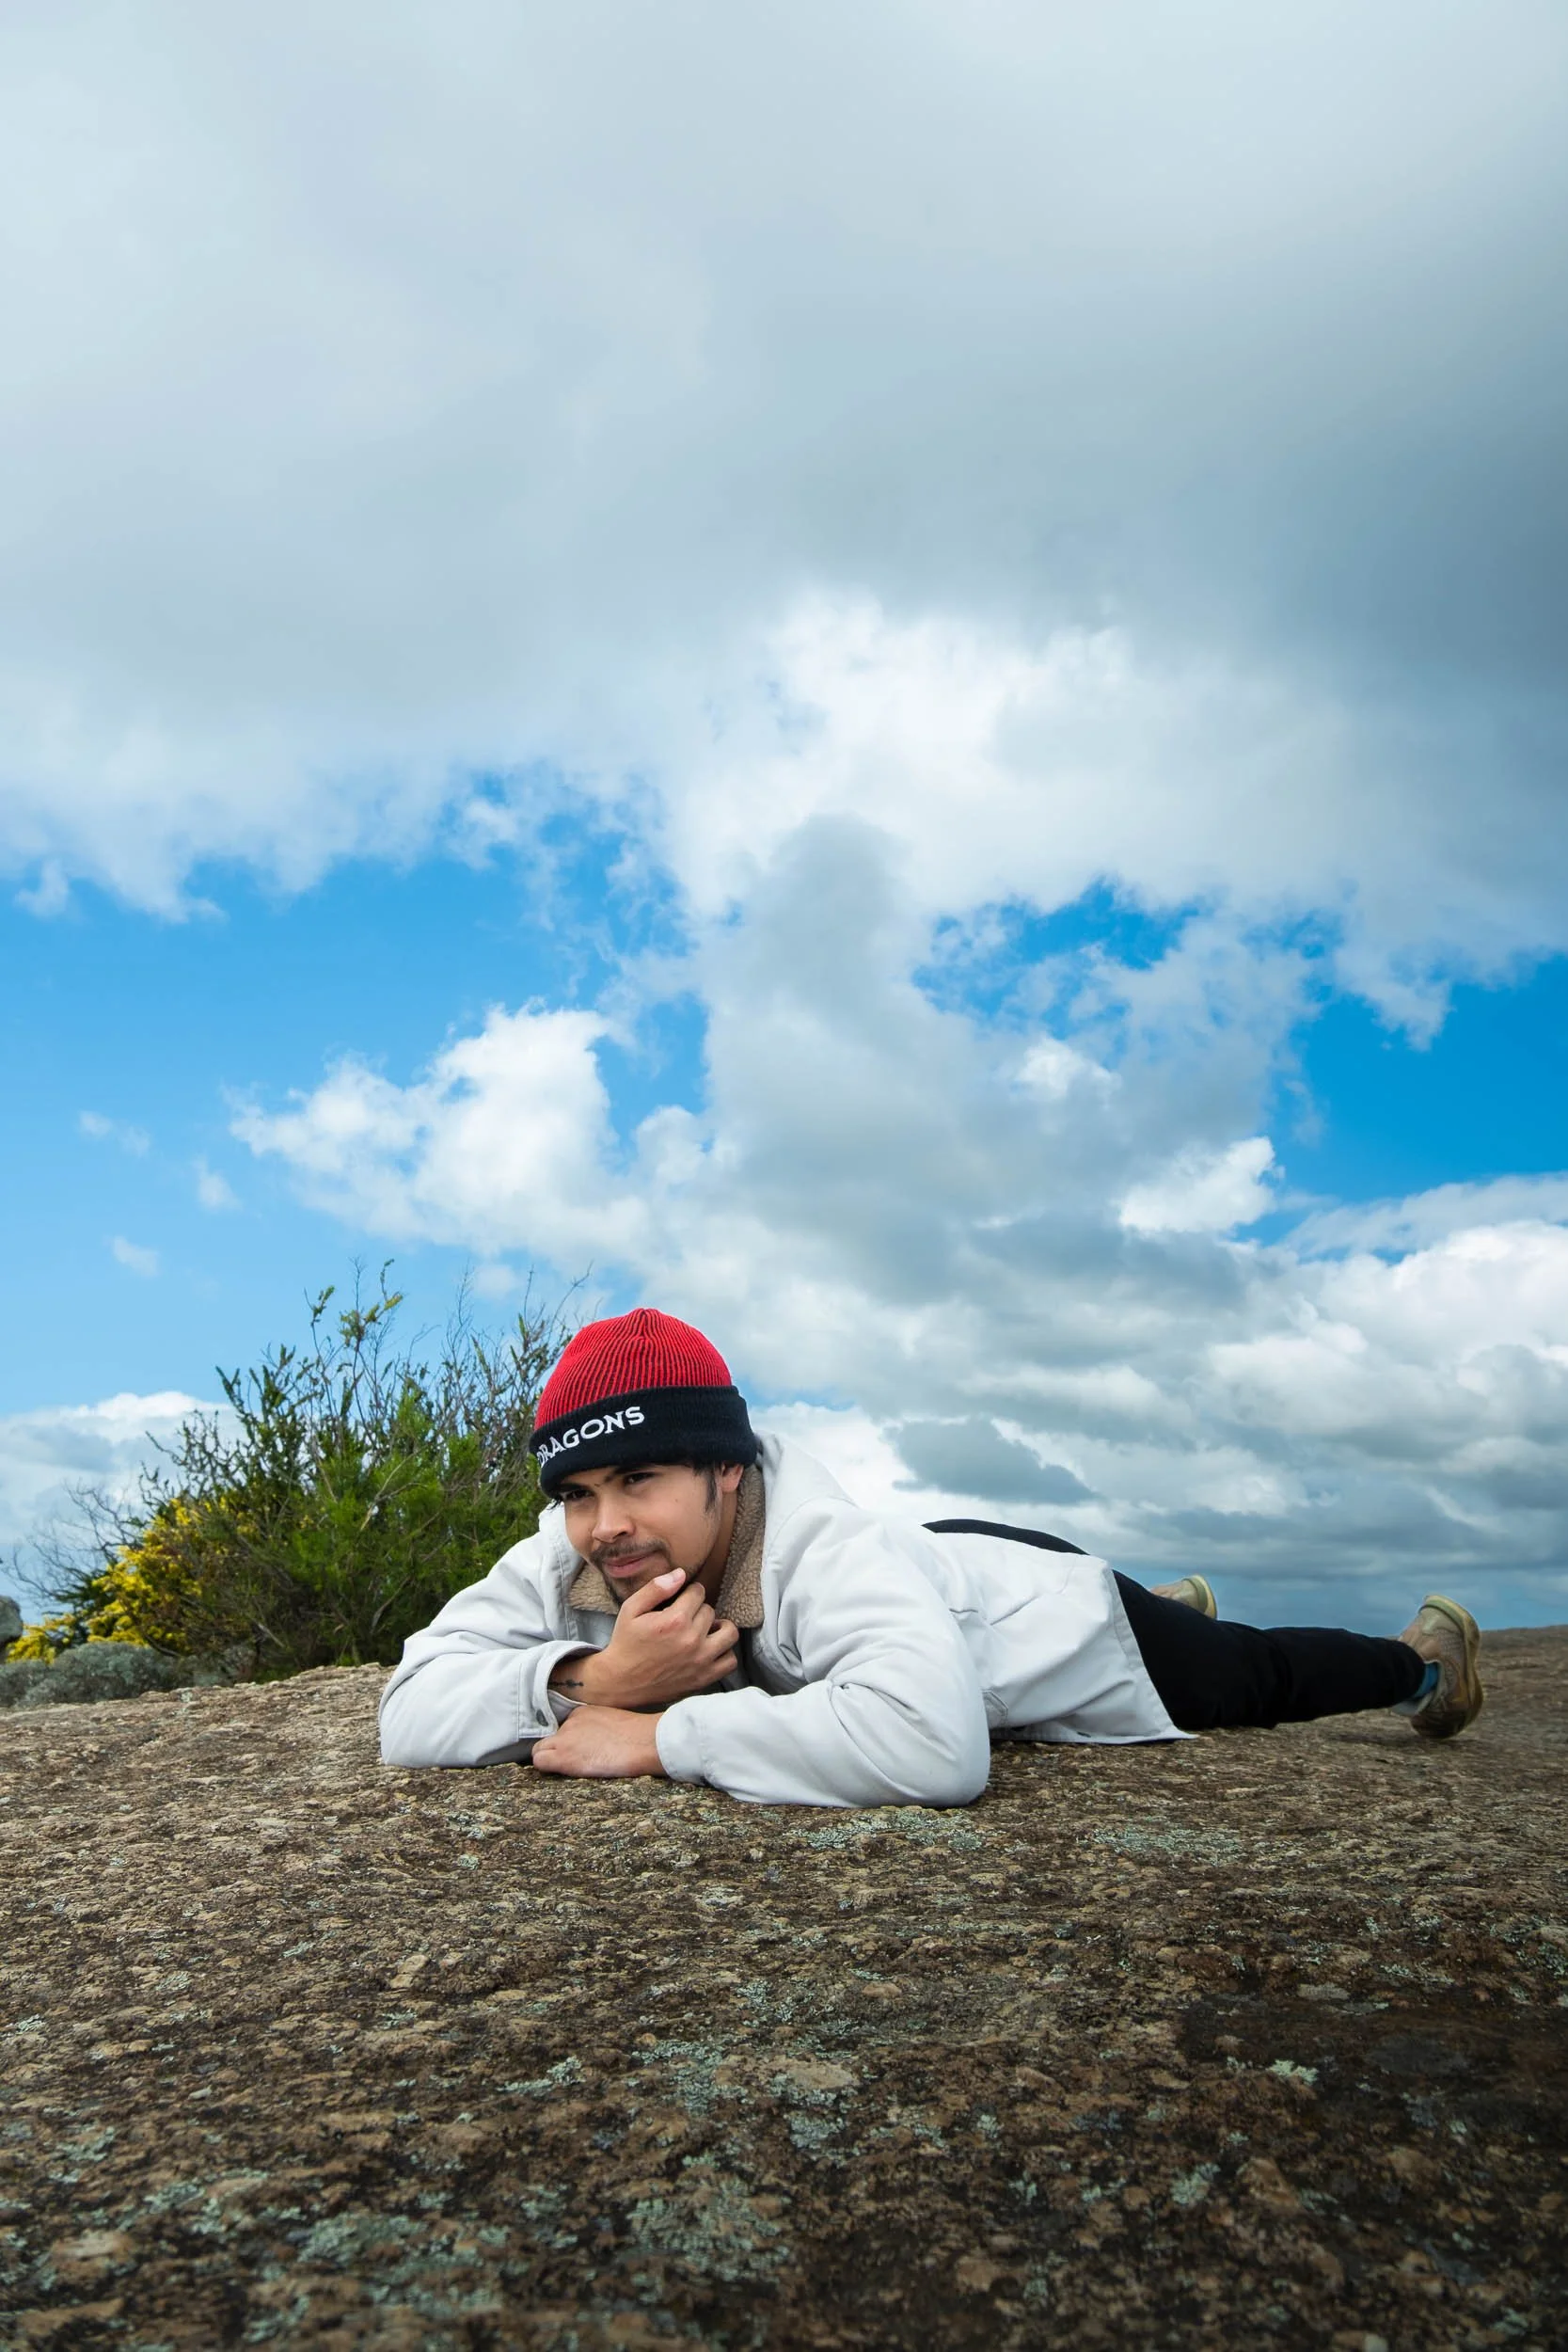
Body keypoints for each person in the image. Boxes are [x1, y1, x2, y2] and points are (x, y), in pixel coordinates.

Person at [377, 1308, 1484, 1807]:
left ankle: (1420, 1661)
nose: (604, 1523)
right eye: (577, 1490)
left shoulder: (822, 1547)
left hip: (1047, 1612)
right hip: (937, 1575)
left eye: (638, 1480)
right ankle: (1174, 1594)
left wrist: (664, 1733)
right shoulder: (567, 1552)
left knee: (1249, 1674)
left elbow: (933, 1745)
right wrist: (589, 1681)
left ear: (725, 1470)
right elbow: (407, 1712)